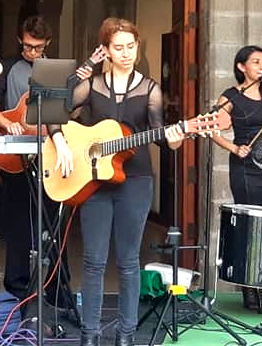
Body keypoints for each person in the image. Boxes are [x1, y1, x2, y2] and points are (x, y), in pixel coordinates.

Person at [50, 18, 185, 346]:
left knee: (128, 261)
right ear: (106, 51)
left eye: (131, 46)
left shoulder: (151, 89)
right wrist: (61, 142)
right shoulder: (92, 85)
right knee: (93, 261)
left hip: (135, 180)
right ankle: (90, 334)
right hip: (94, 180)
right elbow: (53, 108)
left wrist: (175, 139)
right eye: (119, 47)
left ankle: (126, 335)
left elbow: (159, 134)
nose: (126, 53)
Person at [209, 45, 262, 312]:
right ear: (241, 67)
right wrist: (234, 148)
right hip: (245, 167)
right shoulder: (231, 96)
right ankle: (248, 285)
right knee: (249, 223)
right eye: (256, 62)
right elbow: (212, 129)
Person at [0, 15, 53, 300]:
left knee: (51, 223)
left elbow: (67, 111)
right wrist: (5, 122)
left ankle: (54, 288)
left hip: (47, 152)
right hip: (15, 154)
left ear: (47, 43)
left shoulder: (53, 69)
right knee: (17, 222)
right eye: (27, 46)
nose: (32, 52)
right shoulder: (8, 66)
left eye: (37, 47)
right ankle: (17, 288)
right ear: (19, 40)